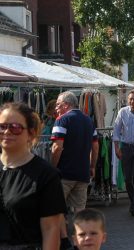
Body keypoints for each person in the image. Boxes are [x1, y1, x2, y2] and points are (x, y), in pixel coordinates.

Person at [0, 102, 66, 249]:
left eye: (15, 127)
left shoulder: (46, 175)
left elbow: (51, 230)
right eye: (2, 126)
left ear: (31, 133)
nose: (7, 132)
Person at [51, 91, 98, 247]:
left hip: (64, 174)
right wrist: (92, 165)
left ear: (66, 105)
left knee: (56, 209)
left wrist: (52, 168)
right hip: (82, 173)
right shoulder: (89, 121)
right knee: (80, 211)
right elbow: (95, 145)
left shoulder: (62, 120)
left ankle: (64, 241)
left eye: (58, 105)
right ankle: (81, 243)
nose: (56, 109)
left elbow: (57, 147)